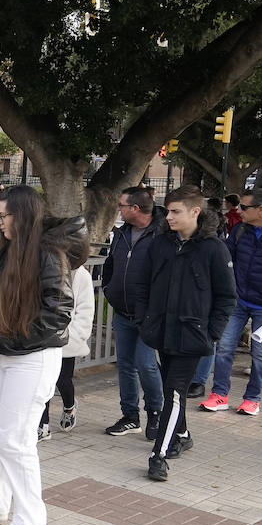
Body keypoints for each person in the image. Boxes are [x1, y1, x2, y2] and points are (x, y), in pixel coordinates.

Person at [0, 186, 85, 525]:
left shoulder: (47, 253)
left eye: (4, 216)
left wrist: (13, 340)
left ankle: (31, 520)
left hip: (31, 357)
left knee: (16, 440)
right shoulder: (10, 250)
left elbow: (58, 312)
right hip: (3, 352)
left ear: (24, 215)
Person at [130, 187, 235, 482]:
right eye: (169, 210)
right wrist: (144, 320)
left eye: (176, 211)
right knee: (170, 390)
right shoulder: (160, 244)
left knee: (174, 391)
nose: (170, 216)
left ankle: (158, 456)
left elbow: (227, 296)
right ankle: (183, 434)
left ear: (195, 212)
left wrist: (211, 333)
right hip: (161, 331)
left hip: (193, 334)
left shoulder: (214, 248)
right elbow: (143, 285)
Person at [199, 188, 262, 416]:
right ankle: (219, 395)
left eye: (244, 207)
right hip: (237, 301)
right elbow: (225, 259)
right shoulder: (240, 229)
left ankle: (252, 399)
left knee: (260, 353)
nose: (239, 211)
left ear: (261, 209)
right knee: (224, 347)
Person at [102, 187, 165, 437]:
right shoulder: (122, 233)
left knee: (146, 364)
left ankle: (156, 413)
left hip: (149, 314)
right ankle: (130, 415)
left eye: (122, 205)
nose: (119, 209)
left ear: (135, 208)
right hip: (122, 311)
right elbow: (111, 264)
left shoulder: (161, 233)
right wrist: (108, 289)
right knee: (125, 364)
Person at [37, 260, 93, 440]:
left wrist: (73, 336)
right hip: (44, 335)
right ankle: (42, 424)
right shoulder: (45, 267)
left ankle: (69, 405)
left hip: (66, 338)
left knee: (63, 380)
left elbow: (85, 310)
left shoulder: (81, 275)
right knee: (44, 381)